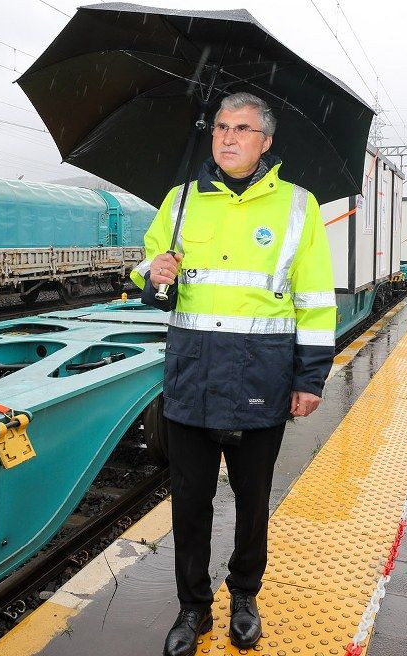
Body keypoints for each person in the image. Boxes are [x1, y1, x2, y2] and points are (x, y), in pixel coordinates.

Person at [130, 93, 335, 656]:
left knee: (252, 500)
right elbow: (149, 280)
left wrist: (310, 378)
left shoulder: (299, 206)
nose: (227, 137)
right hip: (192, 377)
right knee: (189, 503)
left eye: (242, 128)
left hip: (260, 379)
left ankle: (244, 596)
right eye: (220, 126)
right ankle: (192, 608)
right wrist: (157, 273)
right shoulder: (178, 202)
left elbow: (315, 298)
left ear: (265, 142)